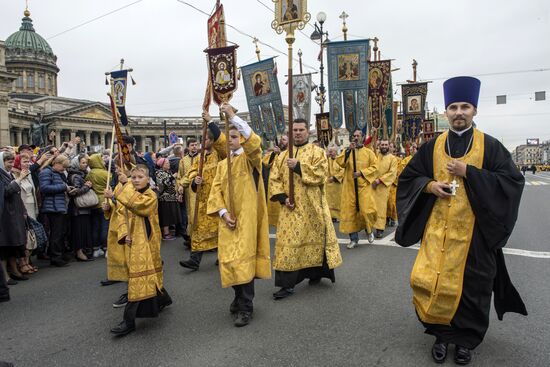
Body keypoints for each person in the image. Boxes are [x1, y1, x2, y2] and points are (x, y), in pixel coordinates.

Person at [396, 76, 527, 365]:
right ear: (446, 112)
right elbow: (408, 177)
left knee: (473, 289)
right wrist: (430, 187)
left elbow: (512, 183)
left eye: (465, 106)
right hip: (437, 233)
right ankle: (442, 336)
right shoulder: (431, 147)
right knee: (436, 283)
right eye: (453, 107)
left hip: (475, 236)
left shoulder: (490, 146)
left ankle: (466, 341)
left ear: (474, 111)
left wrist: (470, 172)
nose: (458, 112)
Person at [207, 103, 272, 326]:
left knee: (244, 262)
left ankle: (246, 307)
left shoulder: (251, 159)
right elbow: (215, 190)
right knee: (231, 261)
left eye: (234, 136)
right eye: (229, 136)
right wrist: (224, 214)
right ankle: (237, 296)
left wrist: (233, 116)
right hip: (228, 221)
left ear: (241, 139)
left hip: (246, 220)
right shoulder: (223, 164)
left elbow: (255, 143)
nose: (231, 139)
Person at [269, 119, 343, 299]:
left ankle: (315, 273)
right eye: (294, 130)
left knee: (315, 240)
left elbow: (321, 175)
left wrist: (299, 167)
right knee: (289, 245)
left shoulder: (317, 152)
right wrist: (283, 198)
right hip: (290, 208)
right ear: (290, 133)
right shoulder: (282, 156)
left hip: (312, 207)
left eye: (301, 129)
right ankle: (287, 285)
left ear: (307, 131)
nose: (298, 133)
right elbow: (274, 179)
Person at [105, 164, 172, 336]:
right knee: (149, 276)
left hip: (147, 243)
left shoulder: (151, 195)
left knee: (137, 280)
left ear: (147, 179)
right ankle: (163, 298)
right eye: (133, 177)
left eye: (139, 177)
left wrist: (119, 191)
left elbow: (139, 206)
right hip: (133, 241)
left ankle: (128, 321)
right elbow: (121, 214)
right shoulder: (129, 193)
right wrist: (122, 230)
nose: (135, 180)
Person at [179, 113, 226, 271]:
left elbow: (222, 140)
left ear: (212, 141)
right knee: (198, 229)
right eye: (201, 139)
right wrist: (193, 182)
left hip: (218, 199)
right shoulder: (200, 157)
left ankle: (223, 256)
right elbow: (192, 173)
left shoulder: (220, 155)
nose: (201, 142)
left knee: (221, 230)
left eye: (205, 139)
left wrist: (210, 122)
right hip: (202, 200)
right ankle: (194, 260)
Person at [336, 130, 378, 248]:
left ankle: (369, 230)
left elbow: (375, 167)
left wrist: (362, 173)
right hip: (349, 187)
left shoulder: (369, 153)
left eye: (358, 136)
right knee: (350, 213)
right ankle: (353, 239)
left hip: (363, 186)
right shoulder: (348, 151)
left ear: (363, 137)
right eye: (353, 136)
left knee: (365, 210)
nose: (355, 138)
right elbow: (340, 162)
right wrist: (349, 151)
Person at [0, 152, 28, 284]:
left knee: (13, 244)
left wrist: (23, 210)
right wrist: (19, 179)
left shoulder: (8, 174)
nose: (11, 165)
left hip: (14, 212)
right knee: (5, 246)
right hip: (5, 214)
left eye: (12, 162)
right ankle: (5, 276)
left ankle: (15, 270)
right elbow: (6, 192)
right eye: (8, 162)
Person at [39, 154, 70, 267]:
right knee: (56, 234)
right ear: (56, 163)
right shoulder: (46, 172)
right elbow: (44, 188)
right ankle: (56, 257)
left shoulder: (57, 173)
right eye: (63, 167)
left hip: (58, 206)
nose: (64, 169)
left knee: (60, 233)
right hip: (53, 207)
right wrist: (63, 187)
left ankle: (58, 255)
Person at [67, 155, 94, 261]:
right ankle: (79, 252)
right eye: (83, 162)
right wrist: (87, 187)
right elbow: (75, 192)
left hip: (83, 208)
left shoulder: (81, 174)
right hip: (78, 208)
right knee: (79, 231)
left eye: (86, 162)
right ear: (77, 164)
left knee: (83, 231)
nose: (85, 164)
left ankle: (82, 251)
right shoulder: (75, 176)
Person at [371, 139, 398, 238]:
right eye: (382, 144)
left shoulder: (392, 159)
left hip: (383, 187)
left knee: (381, 208)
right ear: (379, 145)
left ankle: (379, 229)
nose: (384, 146)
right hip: (372, 186)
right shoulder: (375, 155)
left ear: (388, 146)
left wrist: (379, 180)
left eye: (386, 144)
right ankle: (369, 226)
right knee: (370, 206)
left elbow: (392, 173)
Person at [86, 154, 109, 260]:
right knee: (105, 226)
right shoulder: (106, 173)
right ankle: (106, 247)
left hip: (93, 201)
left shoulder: (89, 174)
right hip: (104, 201)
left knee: (95, 226)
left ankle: (96, 248)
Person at [261, 135, 288, 227]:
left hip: (286, 185)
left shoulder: (291, 152)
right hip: (275, 186)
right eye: (281, 139)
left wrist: (281, 154)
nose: (281, 141)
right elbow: (265, 162)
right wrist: (274, 154)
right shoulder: (274, 152)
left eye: (284, 140)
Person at [177, 138, 199, 247]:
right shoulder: (183, 160)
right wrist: (179, 189)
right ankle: (191, 237)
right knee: (189, 214)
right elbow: (179, 176)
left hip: (199, 190)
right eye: (192, 145)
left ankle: (198, 238)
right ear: (188, 147)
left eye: (196, 145)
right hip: (187, 191)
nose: (194, 147)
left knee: (198, 214)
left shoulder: (201, 158)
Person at [155, 157, 181, 240]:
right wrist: (173, 177)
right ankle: (166, 234)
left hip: (172, 197)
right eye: (166, 164)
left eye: (168, 163)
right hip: (165, 198)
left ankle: (168, 232)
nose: (169, 165)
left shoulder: (168, 172)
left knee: (170, 216)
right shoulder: (159, 173)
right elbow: (163, 184)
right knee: (166, 216)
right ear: (162, 165)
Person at [326, 145, 345, 221]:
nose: (330, 152)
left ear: (336, 152)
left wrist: (334, 178)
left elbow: (343, 171)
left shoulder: (339, 160)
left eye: (332, 151)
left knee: (338, 201)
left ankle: (338, 217)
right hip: (328, 185)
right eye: (329, 151)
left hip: (337, 185)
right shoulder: (327, 160)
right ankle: (331, 216)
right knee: (329, 201)